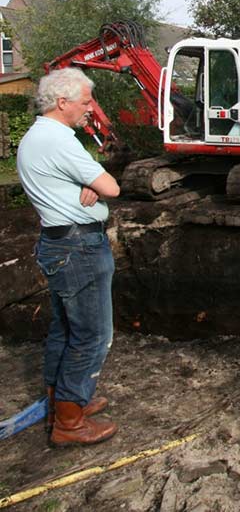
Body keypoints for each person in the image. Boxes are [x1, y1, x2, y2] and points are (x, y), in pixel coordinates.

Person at [16, 68, 121, 447]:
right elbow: (112, 186)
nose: (90, 108)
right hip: (79, 248)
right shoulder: (59, 140)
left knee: (66, 328)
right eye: (85, 101)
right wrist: (94, 184)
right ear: (62, 103)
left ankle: (61, 399)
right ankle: (69, 422)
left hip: (58, 244)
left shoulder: (36, 137)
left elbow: (93, 186)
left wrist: (86, 185)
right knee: (93, 335)